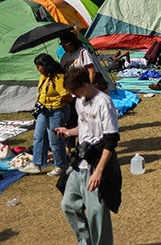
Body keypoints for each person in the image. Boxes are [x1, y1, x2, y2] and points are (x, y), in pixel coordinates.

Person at [55, 66, 121, 245]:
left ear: (85, 85)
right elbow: (84, 128)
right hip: (79, 163)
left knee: (96, 214)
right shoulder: (79, 101)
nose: (73, 95)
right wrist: (69, 132)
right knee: (68, 204)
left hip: (97, 164)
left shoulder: (104, 102)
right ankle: (85, 242)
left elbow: (111, 140)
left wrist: (99, 172)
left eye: (75, 91)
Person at [26, 54, 71, 176]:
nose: (37, 69)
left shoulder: (58, 78)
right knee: (39, 136)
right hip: (43, 110)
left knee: (55, 140)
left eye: (39, 66)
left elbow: (67, 96)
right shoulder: (43, 76)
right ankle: (37, 163)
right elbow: (41, 92)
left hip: (56, 111)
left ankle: (60, 165)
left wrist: (59, 104)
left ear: (46, 66)